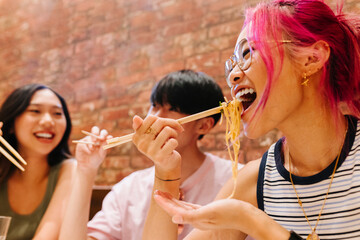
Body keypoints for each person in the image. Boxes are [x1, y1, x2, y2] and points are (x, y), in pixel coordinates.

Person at [131, 0, 360, 239]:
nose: (233, 75)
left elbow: (249, 220)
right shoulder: (255, 181)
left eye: (248, 53)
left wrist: (254, 223)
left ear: (312, 58)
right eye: (232, 64)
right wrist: (166, 171)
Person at [59, 69, 243, 240]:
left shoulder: (235, 181)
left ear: (203, 125)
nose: (153, 118)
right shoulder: (129, 189)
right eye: (154, 106)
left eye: (171, 109)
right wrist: (85, 171)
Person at [0, 84, 75, 240]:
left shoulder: (69, 170)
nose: (48, 121)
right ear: (11, 124)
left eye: (57, 113)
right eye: (35, 111)